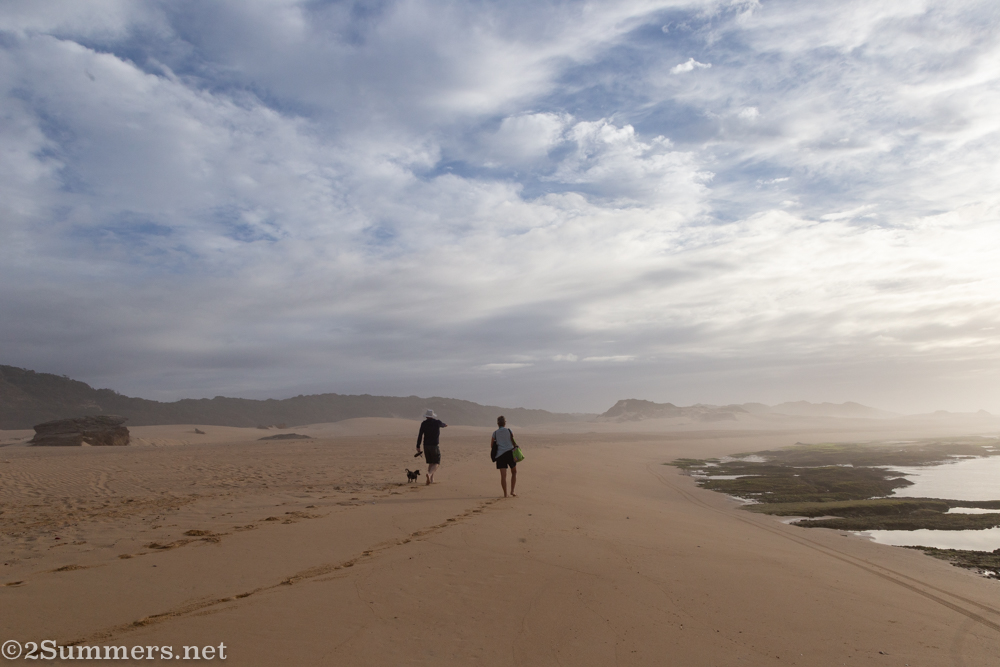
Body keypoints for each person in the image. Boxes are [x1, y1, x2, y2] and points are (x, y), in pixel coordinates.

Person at [416, 409, 447, 485]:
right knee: (436, 462)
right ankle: (429, 474)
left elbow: (420, 435)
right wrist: (445, 425)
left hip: (426, 445)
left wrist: (418, 446)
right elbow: (444, 425)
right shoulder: (437, 422)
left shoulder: (423, 423)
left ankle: (431, 479)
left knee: (431, 462)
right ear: (433, 416)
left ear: (426, 416)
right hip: (434, 445)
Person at [490, 415, 517, 497]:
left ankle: (505, 494)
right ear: (505, 423)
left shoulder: (495, 433)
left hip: (500, 456)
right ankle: (512, 491)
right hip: (509, 454)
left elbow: (492, 445)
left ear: (498, 423)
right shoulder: (509, 430)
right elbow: (513, 441)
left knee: (503, 476)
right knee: (514, 472)